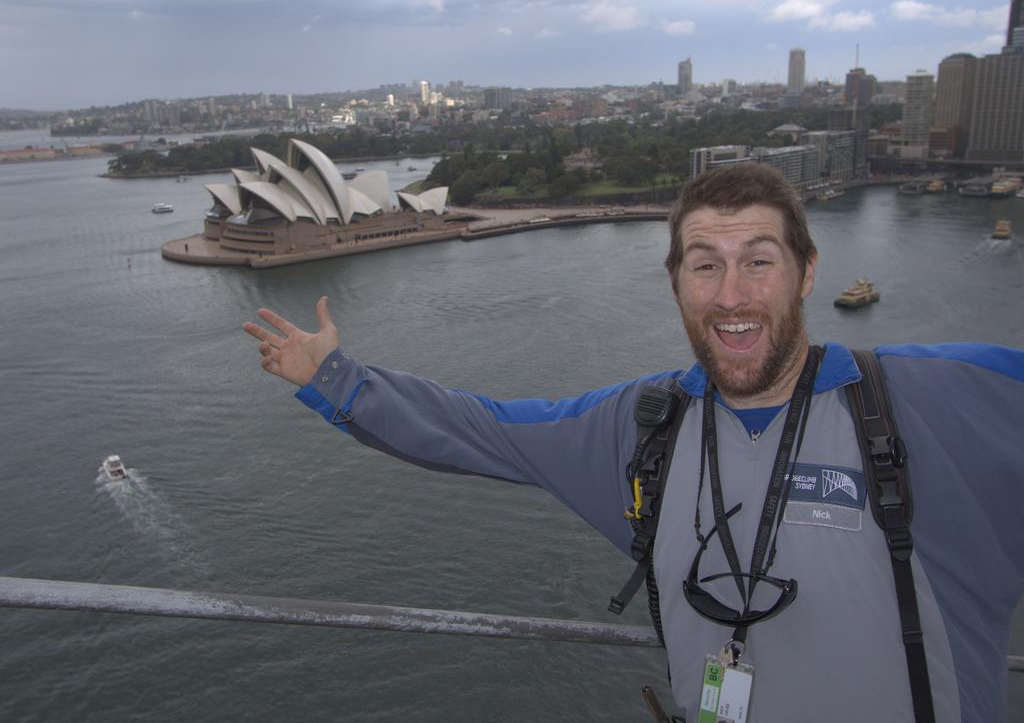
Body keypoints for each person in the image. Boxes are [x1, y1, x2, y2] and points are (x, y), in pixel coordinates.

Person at [243, 163, 1023, 722]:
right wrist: (338, 381)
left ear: (808, 274)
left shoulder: (933, 402)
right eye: (704, 266)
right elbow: (483, 431)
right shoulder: (644, 429)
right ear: (675, 282)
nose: (731, 296)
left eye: (759, 262)